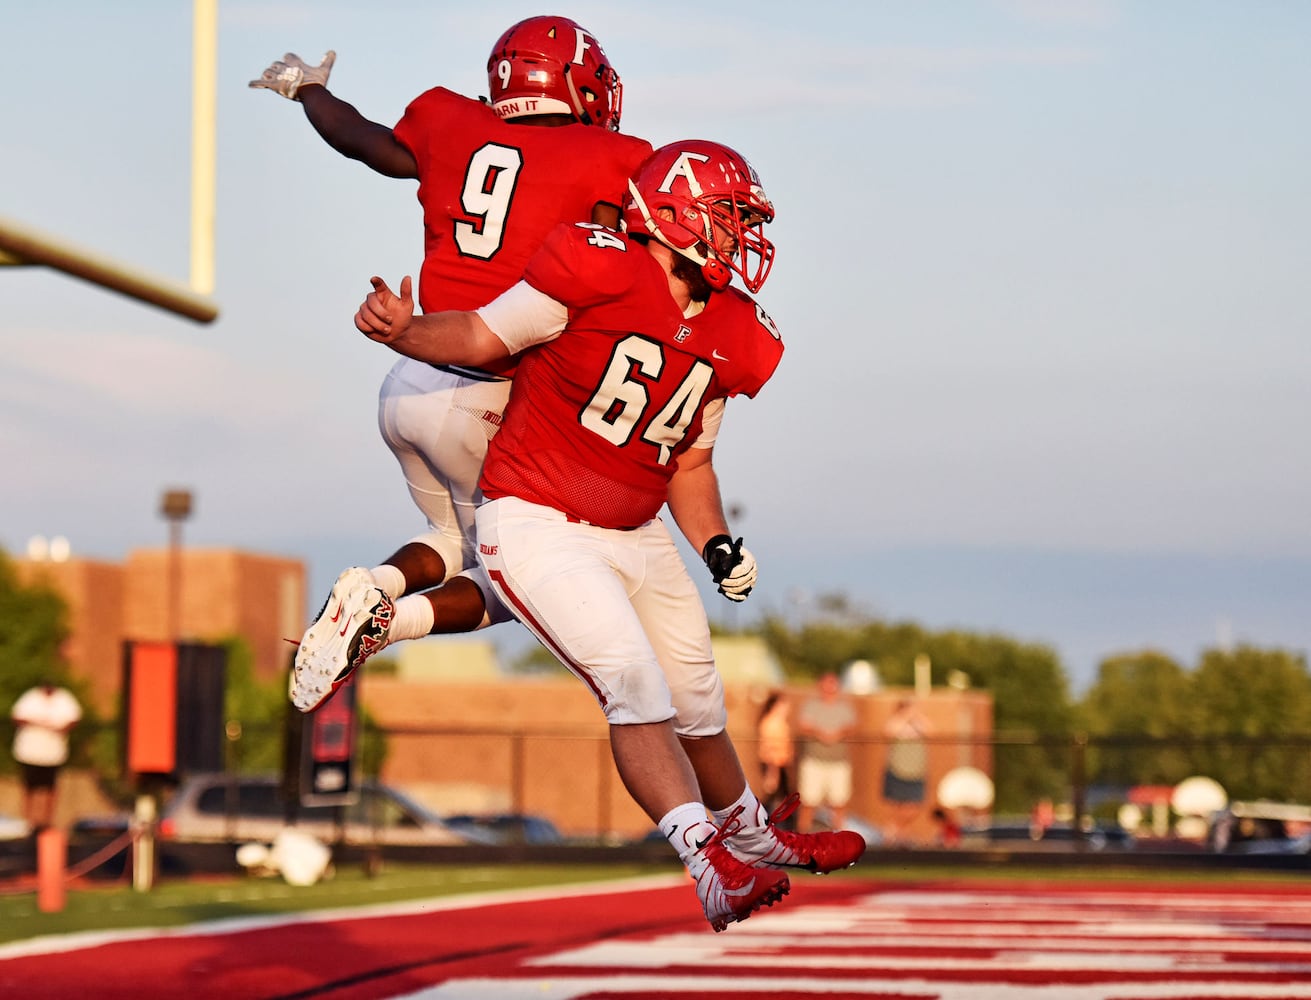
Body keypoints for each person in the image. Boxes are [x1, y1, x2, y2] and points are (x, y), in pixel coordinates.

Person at [354, 140, 866, 931]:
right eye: (728, 218)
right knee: (633, 682)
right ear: (672, 213)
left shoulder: (735, 328)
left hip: (638, 528)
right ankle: (707, 864)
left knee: (699, 699)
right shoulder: (598, 265)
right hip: (537, 519)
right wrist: (405, 332)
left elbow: (691, 462)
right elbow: (484, 337)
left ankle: (753, 838)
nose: (741, 238)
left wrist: (717, 544)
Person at [250, 16, 653, 712]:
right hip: (488, 395)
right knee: (517, 583)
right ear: (574, 83)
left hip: (409, 380)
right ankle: (385, 621)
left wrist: (309, 91)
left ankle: (375, 587)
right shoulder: (611, 157)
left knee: (451, 538)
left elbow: (364, 142)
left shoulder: (450, 122)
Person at [10, 681, 82, 832]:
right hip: (30, 753)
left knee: (50, 788)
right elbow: (17, 717)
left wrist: (60, 728)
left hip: (52, 754)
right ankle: (28, 821)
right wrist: (37, 723)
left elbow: (74, 719)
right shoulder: (30, 697)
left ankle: (47, 821)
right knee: (30, 787)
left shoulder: (64, 699)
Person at [796, 672, 858, 833]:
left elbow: (851, 727)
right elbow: (804, 725)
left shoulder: (844, 707)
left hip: (838, 762)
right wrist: (821, 734)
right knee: (809, 802)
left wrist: (837, 734)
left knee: (839, 803)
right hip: (814, 761)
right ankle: (803, 837)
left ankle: (839, 837)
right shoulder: (811, 705)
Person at [882, 697, 932, 843]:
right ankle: (900, 835)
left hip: (917, 771)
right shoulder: (896, 722)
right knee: (897, 805)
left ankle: (895, 830)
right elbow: (887, 732)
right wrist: (905, 715)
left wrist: (917, 715)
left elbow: (931, 732)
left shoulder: (920, 723)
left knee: (913, 808)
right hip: (897, 768)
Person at [756, 690, 795, 818]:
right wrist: (773, 771)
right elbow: (770, 748)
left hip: (781, 762)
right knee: (775, 794)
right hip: (773, 763)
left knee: (780, 795)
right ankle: (762, 819)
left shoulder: (781, 723)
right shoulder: (770, 723)